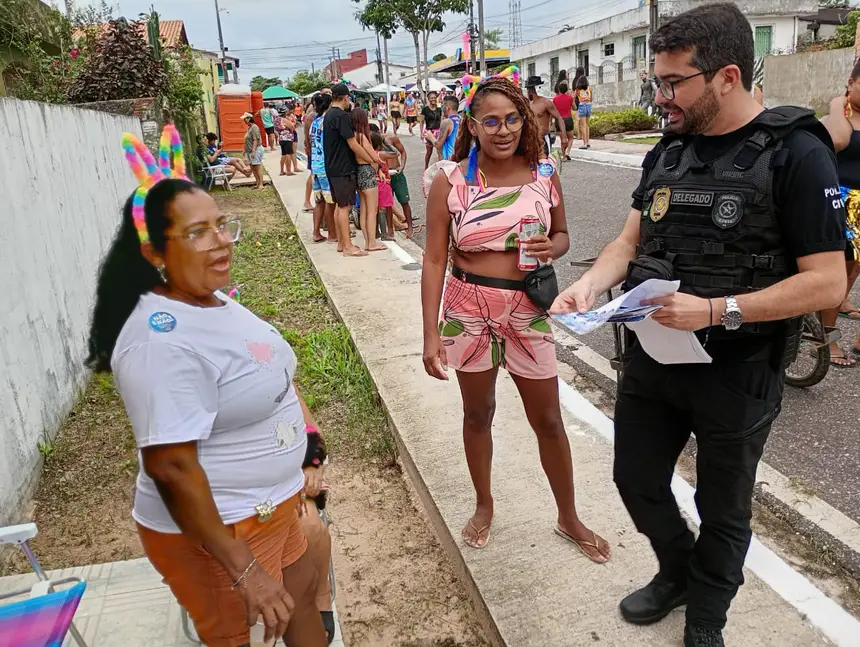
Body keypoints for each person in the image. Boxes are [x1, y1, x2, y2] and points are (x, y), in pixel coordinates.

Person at [551, 5, 847, 645]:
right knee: (634, 477)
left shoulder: (795, 154)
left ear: (727, 76)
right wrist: (588, 286)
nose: (660, 99)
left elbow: (828, 281)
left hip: (737, 371)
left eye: (672, 83)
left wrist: (719, 310)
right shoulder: (668, 152)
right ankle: (677, 571)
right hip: (654, 358)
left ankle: (706, 620)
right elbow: (629, 241)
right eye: (654, 83)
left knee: (724, 506)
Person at [88, 126, 329, 647]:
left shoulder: (210, 298)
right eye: (198, 233)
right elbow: (171, 465)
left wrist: (304, 444)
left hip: (271, 506)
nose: (221, 241)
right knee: (238, 634)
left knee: (303, 592)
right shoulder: (159, 340)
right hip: (225, 530)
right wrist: (246, 572)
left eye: (221, 225)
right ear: (153, 250)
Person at [421, 72, 611, 562]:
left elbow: (564, 236)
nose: (502, 130)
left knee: (548, 417)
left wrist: (554, 246)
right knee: (478, 413)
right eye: (490, 121)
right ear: (473, 124)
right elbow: (433, 260)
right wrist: (429, 335)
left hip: (528, 309)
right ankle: (484, 504)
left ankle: (568, 516)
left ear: (524, 120)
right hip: (466, 310)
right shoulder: (450, 180)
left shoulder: (544, 173)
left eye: (511, 119)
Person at [822, 61, 860, 365]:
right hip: (840, 203)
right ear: (851, 83)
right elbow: (837, 140)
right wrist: (838, 105)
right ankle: (828, 339)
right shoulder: (836, 119)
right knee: (839, 274)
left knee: (853, 271)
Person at [324, 84, 375, 257]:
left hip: (332, 167)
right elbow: (353, 144)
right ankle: (348, 247)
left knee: (340, 205)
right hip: (343, 167)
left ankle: (341, 243)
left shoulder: (328, 115)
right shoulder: (341, 116)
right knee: (345, 207)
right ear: (345, 98)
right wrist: (372, 159)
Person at [297, 420, 336, 644]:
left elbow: (310, 427)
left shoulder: (280, 385)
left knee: (310, 525)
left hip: (285, 479)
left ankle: (321, 593)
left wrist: (314, 461)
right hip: (227, 487)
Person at [370, 123, 419, 238]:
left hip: (396, 174)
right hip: (384, 177)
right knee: (387, 205)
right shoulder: (371, 144)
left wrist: (402, 166)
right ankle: (390, 230)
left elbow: (402, 152)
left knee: (404, 201)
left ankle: (410, 227)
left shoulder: (391, 138)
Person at [351, 107, 386, 252]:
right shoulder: (361, 136)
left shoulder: (351, 136)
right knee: (372, 210)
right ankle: (371, 243)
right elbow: (373, 155)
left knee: (364, 210)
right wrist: (379, 165)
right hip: (367, 171)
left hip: (357, 172)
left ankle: (368, 241)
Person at [310, 93, 337, 244]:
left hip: (315, 165)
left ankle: (316, 232)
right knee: (330, 201)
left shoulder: (315, 122)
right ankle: (332, 234)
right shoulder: (327, 121)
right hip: (325, 166)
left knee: (319, 201)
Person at [525, 75, 567, 156]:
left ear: (532, 90)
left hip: (543, 139)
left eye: (528, 89)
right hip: (531, 140)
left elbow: (559, 118)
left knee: (545, 164)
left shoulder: (546, 103)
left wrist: (564, 137)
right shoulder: (529, 105)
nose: (527, 92)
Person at [372, 132, 396, 242]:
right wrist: (385, 141)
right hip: (383, 183)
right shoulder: (380, 154)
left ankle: (376, 231)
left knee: (376, 208)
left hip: (374, 183)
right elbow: (395, 153)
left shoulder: (370, 153)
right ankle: (384, 233)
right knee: (382, 209)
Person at [425, 95, 461, 162]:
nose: (442, 108)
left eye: (443, 105)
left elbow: (438, 145)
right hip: (460, 160)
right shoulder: (461, 120)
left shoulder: (447, 122)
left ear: (447, 108)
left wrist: (431, 137)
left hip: (449, 162)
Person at [553, 81, 575, 160]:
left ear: (559, 89)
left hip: (559, 120)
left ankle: (564, 156)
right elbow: (575, 108)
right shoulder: (569, 98)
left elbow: (553, 110)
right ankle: (568, 151)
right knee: (570, 138)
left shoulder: (555, 99)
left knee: (562, 139)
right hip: (568, 119)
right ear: (566, 89)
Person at [242, 112, 265, 190]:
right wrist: (244, 150)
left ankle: (261, 184)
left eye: (245, 119)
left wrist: (253, 151)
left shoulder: (254, 127)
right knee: (253, 167)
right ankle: (257, 183)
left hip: (256, 149)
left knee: (257, 166)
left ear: (249, 118)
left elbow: (255, 140)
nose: (244, 121)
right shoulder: (249, 128)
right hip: (249, 150)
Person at [421, 91, 443, 169]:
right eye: (431, 98)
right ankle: (426, 166)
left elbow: (441, 121)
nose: (433, 99)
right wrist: (421, 133)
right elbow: (422, 122)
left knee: (439, 151)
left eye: (434, 98)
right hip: (429, 132)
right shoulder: (425, 109)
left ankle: (441, 167)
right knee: (429, 152)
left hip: (438, 132)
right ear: (428, 99)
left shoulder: (439, 109)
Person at [303, 99, 318, 211]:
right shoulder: (312, 115)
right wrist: (309, 147)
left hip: (315, 150)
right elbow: (307, 135)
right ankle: (307, 201)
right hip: (315, 151)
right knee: (313, 174)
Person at [276, 110, 296, 176]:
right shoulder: (284, 120)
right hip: (287, 138)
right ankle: (288, 171)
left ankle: (282, 170)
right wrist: (292, 122)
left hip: (281, 138)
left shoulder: (277, 120)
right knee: (288, 154)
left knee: (283, 154)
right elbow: (292, 127)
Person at [575, 76, 593, 150]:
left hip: (582, 105)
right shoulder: (589, 88)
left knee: (583, 125)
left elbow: (575, 97)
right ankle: (588, 142)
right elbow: (591, 98)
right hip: (588, 105)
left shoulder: (578, 90)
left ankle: (584, 143)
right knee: (587, 124)